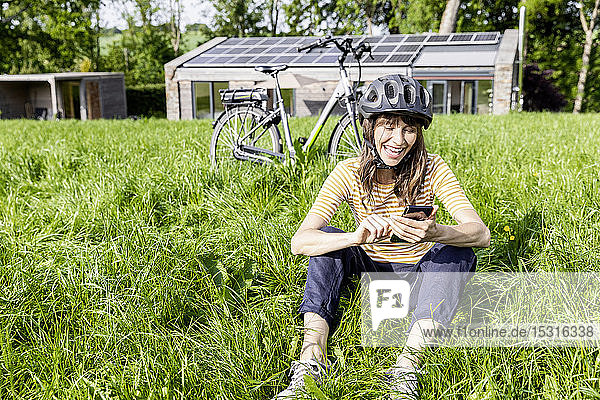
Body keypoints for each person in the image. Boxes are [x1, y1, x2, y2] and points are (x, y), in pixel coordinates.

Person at [273, 74, 490, 399]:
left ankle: (407, 367)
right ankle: (311, 359)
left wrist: (437, 231)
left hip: (419, 277)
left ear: (418, 132)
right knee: (328, 239)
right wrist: (354, 236)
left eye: (409, 129)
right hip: (369, 273)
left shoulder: (434, 168)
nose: (398, 139)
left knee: (456, 249)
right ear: (370, 127)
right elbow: (299, 241)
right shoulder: (347, 173)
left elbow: (481, 234)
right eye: (388, 126)